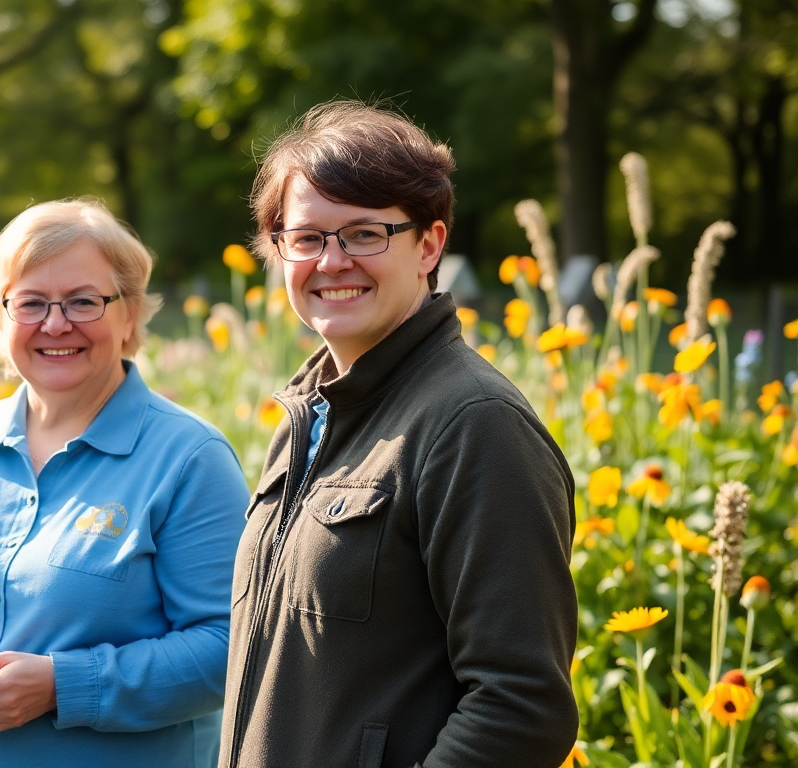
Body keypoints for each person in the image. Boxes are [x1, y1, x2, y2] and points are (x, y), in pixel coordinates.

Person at [219, 101, 579, 768]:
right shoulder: (308, 415)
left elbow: (521, 705)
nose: (331, 261)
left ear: (430, 244)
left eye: (364, 234)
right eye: (306, 237)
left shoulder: (473, 425)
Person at [0, 199, 250, 767]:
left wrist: (63, 684)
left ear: (129, 314)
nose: (56, 324)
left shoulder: (189, 458)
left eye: (84, 301)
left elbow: (231, 647)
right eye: (30, 303)